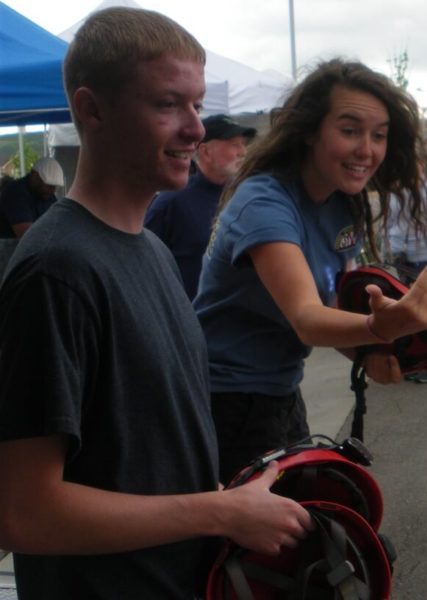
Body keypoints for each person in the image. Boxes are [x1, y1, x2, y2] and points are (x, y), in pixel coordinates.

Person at [0, 8, 312, 598]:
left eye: (196, 104)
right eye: (169, 104)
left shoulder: (151, 250)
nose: (196, 129)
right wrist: (219, 513)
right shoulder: (57, 270)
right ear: (92, 110)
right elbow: (24, 514)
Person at [194, 58, 427, 484]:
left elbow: (332, 299)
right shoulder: (265, 201)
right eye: (349, 130)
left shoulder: (340, 201)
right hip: (224, 399)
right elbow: (307, 318)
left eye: (379, 135)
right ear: (310, 130)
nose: (366, 149)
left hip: (280, 390)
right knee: (271, 540)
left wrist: (371, 352)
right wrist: (378, 327)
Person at [145, 114, 256, 298]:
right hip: (190, 319)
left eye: (244, 144)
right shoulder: (172, 202)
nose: (243, 152)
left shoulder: (246, 197)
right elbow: (145, 266)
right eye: (234, 144)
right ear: (205, 152)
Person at [0, 156, 63, 239]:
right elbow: (27, 236)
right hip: (9, 249)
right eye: (49, 185)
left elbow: (58, 223)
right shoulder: (16, 193)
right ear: (34, 176)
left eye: (55, 186)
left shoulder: (47, 195)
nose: (53, 190)